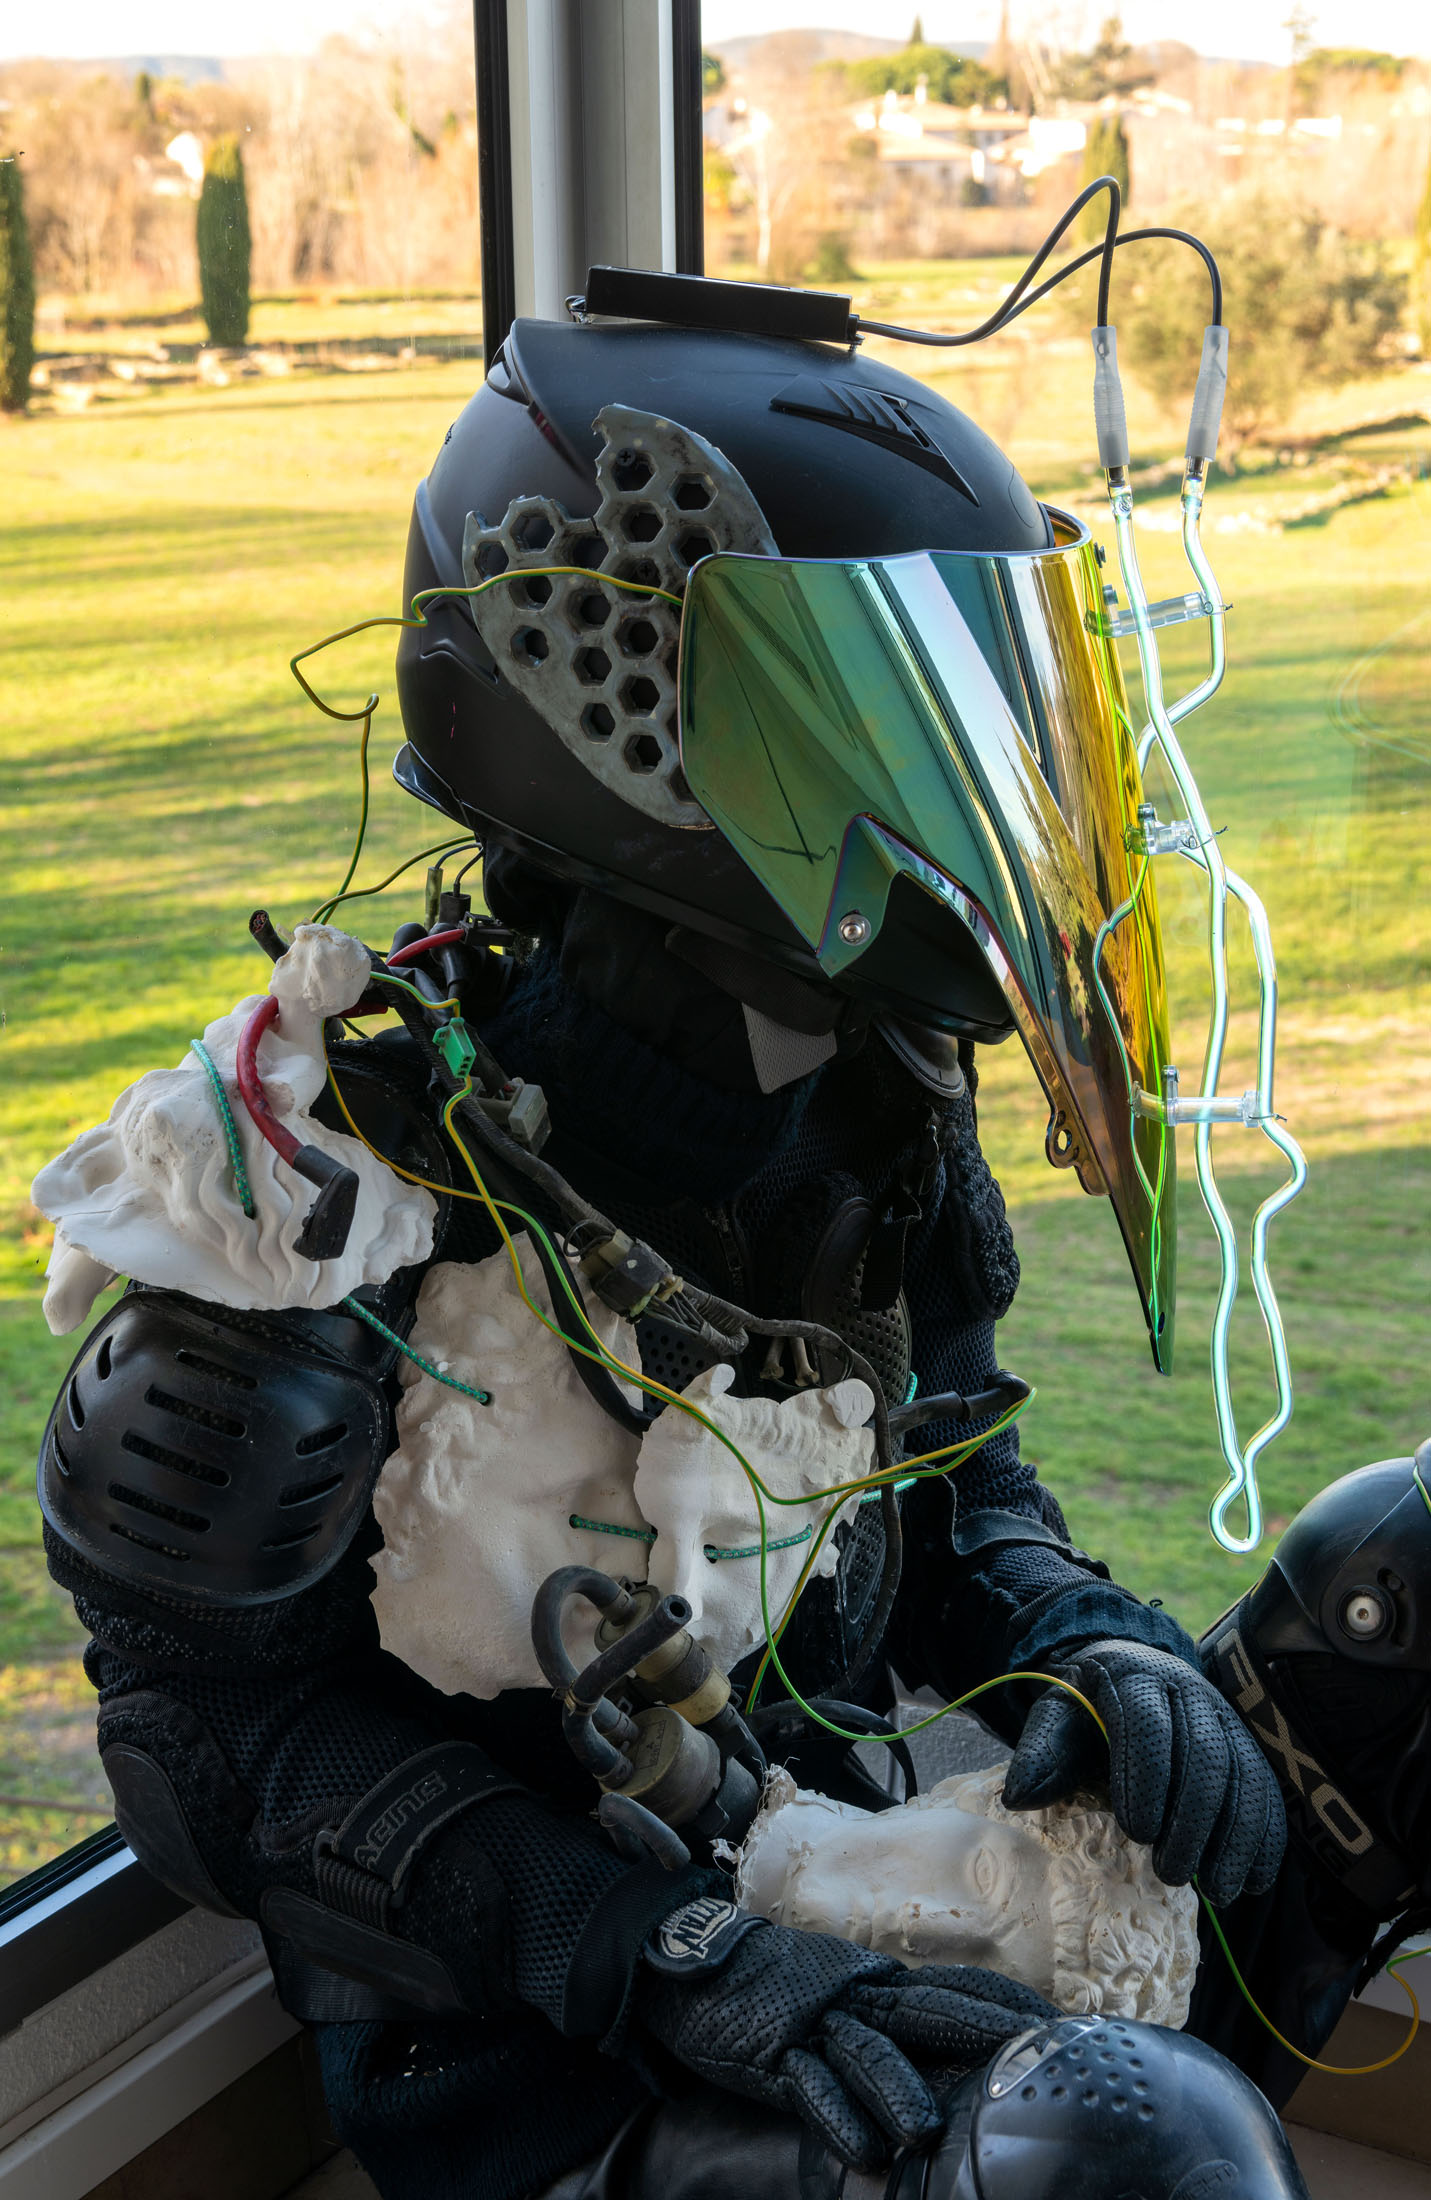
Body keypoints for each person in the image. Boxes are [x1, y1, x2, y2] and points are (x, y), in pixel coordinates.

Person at [37, 292, 1358, 2200]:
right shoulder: (319, 1197)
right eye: (890, 704)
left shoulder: (874, 1106)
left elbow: (948, 1475)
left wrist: (1087, 1646)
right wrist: (660, 1955)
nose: (971, 792)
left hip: (840, 1838)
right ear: (629, 711)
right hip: (552, 2055)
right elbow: (209, 1752)